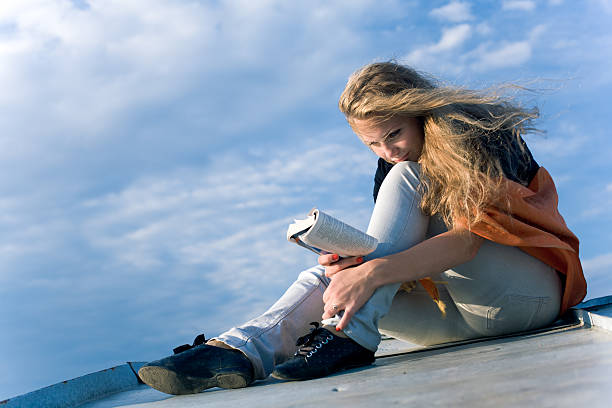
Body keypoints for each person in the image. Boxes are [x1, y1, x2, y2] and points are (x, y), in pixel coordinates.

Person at [138, 62, 586, 395]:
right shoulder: (390, 166)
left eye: (393, 134)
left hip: (525, 298)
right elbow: (396, 258)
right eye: (371, 142)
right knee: (332, 274)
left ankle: (348, 334)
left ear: (419, 112)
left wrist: (371, 272)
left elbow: (470, 241)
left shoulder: (479, 132)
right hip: (459, 316)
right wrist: (350, 264)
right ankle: (238, 351)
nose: (387, 151)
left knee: (403, 193)